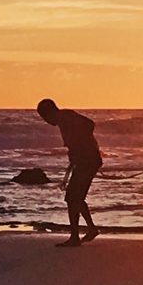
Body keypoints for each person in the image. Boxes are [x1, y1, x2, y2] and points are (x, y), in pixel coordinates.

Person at [37, 99, 101, 247]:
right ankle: (90, 229)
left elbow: (90, 124)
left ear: (50, 113)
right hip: (85, 161)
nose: (46, 122)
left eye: (45, 118)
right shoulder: (63, 120)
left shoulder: (67, 116)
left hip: (88, 161)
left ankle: (75, 237)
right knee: (75, 197)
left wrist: (81, 145)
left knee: (72, 197)